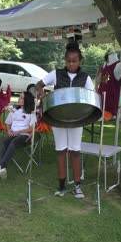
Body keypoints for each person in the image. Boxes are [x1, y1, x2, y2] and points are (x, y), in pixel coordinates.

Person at [35, 42, 95, 199]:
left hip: (77, 117)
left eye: (74, 61)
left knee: (75, 151)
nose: (71, 64)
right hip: (58, 117)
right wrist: (41, 94)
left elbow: (91, 97)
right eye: (68, 61)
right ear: (65, 60)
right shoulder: (56, 74)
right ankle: (61, 185)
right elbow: (38, 84)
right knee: (61, 150)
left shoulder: (85, 77)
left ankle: (77, 186)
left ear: (79, 61)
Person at [0, 92, 36, 179]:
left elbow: (31, 128)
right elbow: (7, 123)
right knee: (4, 141)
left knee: (13, 142)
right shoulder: (14, 111)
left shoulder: (31, 113)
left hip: (24, 135)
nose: (19, 99)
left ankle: (1, 166)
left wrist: (18, 132)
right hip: (13, 133)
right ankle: (3, 169)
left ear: (26, 101)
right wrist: (9, 130)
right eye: (19, 97)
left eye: (21, 98)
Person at [97, 49, 121, 118]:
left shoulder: (119, 65)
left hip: (111, 101)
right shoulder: (105, 64)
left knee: (107, 117)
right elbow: (99, 80)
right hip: (101, 99)